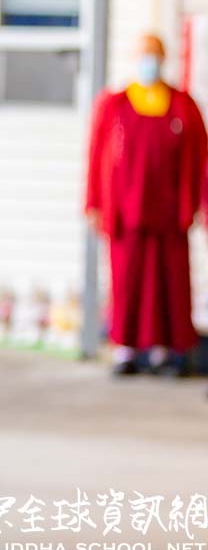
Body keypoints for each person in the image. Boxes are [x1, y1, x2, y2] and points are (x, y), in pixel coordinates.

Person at [86, 33, 207, 377]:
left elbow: (202, 159)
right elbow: (96, 156)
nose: (148, 62)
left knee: (168, 283)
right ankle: (126, 349)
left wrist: (201, 203)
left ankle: (163, 352)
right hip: (127, 211)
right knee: (128, 281)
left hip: (169, 212)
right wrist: (93, 203)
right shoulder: (114, 105)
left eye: (154, 55)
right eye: (143, 54)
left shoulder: (182, 105)